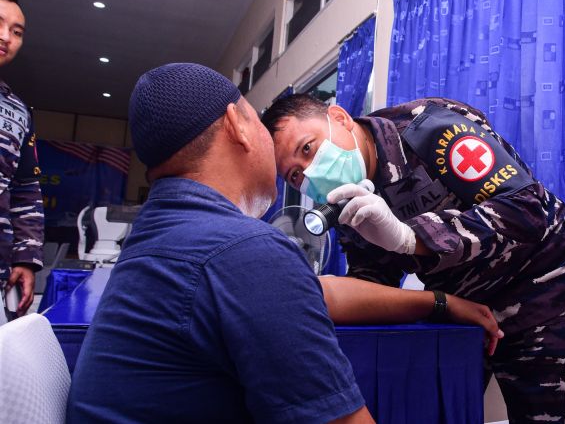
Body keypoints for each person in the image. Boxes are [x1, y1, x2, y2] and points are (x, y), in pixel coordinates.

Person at [67, 63, 501, 424]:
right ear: (238, 124)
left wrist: (439, 302)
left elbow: (317, 293)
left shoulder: (158, 234)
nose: (298, 176)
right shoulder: (241, 251)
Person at [263, 94, 565, 423]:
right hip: (463, 300)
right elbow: (374, 278)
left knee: (548, 409)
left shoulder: (429, 128)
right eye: (295, 176)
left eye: (307, 149)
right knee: (435, 404)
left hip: (537, 278)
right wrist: (323, 295)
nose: (309, 173)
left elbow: (526, 210)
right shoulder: (345, 200)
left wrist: (411, 237)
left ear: (339, 118)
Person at [0, 0, 43, 318]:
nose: (6, 37)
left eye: (16, 32)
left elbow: (26, 188)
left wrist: (25, 259)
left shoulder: (18, 112)